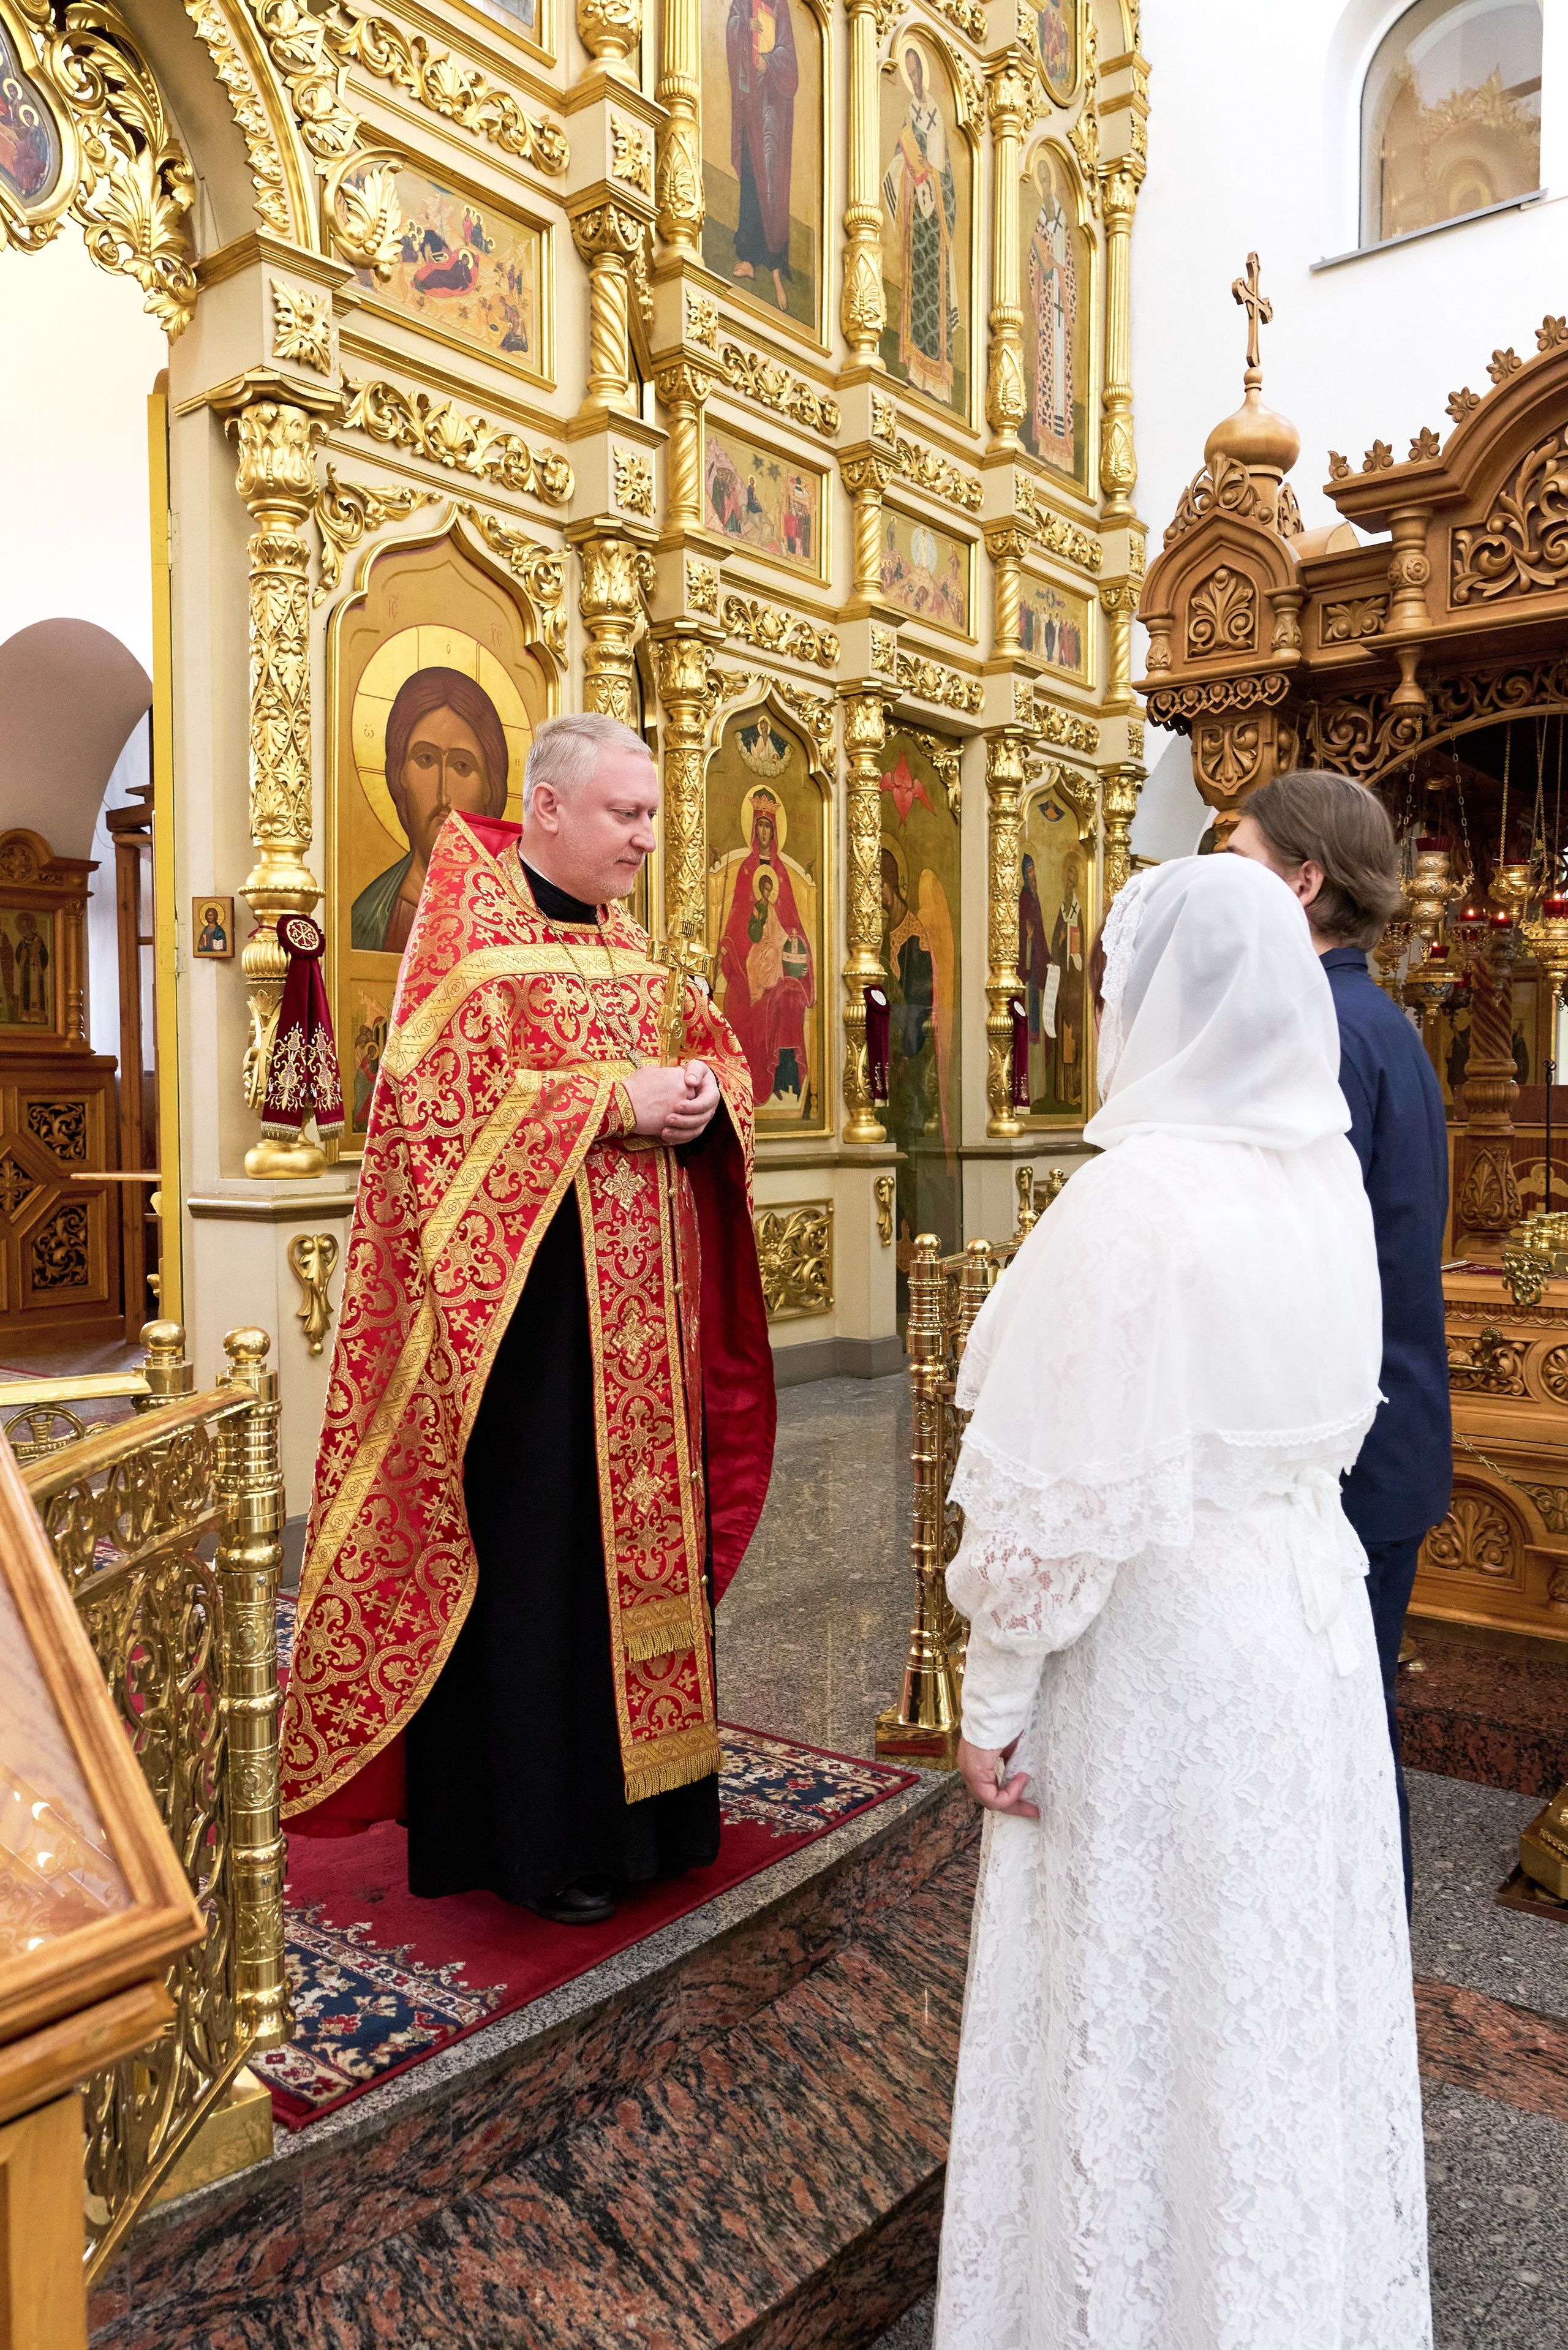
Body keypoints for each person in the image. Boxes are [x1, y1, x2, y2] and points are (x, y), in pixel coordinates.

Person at [935, 855, 1431, 2349]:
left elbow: (1048, 1500)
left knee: (1144, 1999)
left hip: (1164, 1642)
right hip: (1304, 1624)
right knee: (1274, 1990)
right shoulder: (1321, 1178)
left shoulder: (1133, 1202)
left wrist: (993, 1703)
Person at [282, 712, 777, 1925]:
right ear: (549, 809)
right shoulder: (466, 944)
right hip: (530, 1353)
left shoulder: (629, 944)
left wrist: (709, 1094)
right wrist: (612, 1098)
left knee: (631, 1574)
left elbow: (706, 1050)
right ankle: (542, 1840)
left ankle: (656, 1818)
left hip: (644, 1349)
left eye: (652, 815)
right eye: (625, 814)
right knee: (545, 1573)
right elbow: (433, 1119)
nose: (645, 838)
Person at [1230, 769, 1450, 1910]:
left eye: (1241, 854)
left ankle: (1353, 1990)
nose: (1221, 876)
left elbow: (1291, 1275)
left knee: (1336, 1740)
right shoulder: (1377, 1020)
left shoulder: (1321, 1032)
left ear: (1301, 881)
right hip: (1388, 1434)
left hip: (1344, 1453)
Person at [351, 666, 511, 956]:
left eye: (462, 766)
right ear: (400, 774)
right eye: (426, 760)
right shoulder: (372, 915)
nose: (443, 794)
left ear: (490, 786)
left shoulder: (516, 916)